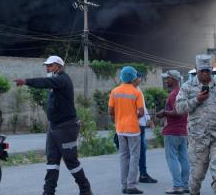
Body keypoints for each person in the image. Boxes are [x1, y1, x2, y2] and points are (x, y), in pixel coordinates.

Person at [15, 56, 93, 195]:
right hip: (54, 127)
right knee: (52, 160)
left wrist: (26, 81)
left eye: (50, 65)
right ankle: (48, 192)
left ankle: (85, 189)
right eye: (47, 65)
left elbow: (46, 82)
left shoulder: (62, 79)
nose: (47, 68)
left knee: (71, 161)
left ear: (58, 66)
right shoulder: (56, 81)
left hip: (67, 127)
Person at [176, 54, 216, 195]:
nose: (204, 73)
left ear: (211, 70)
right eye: (201, 71)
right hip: (198, 140)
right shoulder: (187, 87)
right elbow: (179, 108)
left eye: (207, 71)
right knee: (196, 176)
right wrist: (196, 100)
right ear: (196, 70)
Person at [109, 66, 146, 194]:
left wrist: (118, 118)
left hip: (120, 129)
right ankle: (131, 185)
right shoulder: (137, 92)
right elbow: (141, 112)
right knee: (134, 157)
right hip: (133, 129)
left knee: (123, 156)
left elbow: (110, 111)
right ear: (133, 78)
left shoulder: (114, 91)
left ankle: (124, 185)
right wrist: (133, 115)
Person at [156, 69, 189, 194]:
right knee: (184, 158)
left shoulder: (174, 94)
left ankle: (177, 185)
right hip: (182, 131)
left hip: (172, 131)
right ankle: (185, 185)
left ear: (174, 79)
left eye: (168, 78)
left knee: (172, 158)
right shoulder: (183, 93)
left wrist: (164, 113)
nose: (166, 80)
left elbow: (176, 112)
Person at [133, 78, 157, 184]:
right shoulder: (135, 91)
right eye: (139, 77)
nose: (140, 79)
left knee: (133, 151)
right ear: (133, 78)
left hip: (134, 125)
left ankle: (134, 176)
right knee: (140, 151)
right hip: (137, 125)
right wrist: (147, 119)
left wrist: (149, 120)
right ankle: (142, 174)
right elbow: (141, 110)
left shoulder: (135, 89)